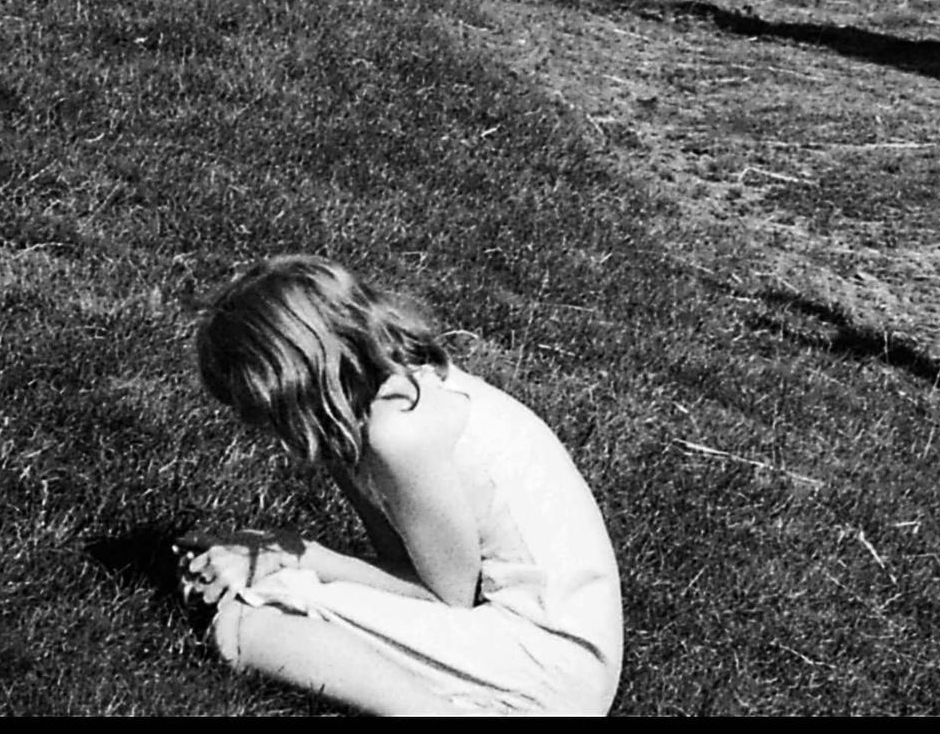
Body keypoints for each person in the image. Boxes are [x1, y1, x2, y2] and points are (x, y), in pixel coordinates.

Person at [180, 254, 623, 717]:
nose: (263, 428)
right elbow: (401, 569)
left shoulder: (401, 433)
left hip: (548, 663)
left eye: (261, 408)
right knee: (263, 600)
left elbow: (445, 598)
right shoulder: (366, 420)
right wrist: (273, 553)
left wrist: (293, 552)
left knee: (246, 622)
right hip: (541, 651)